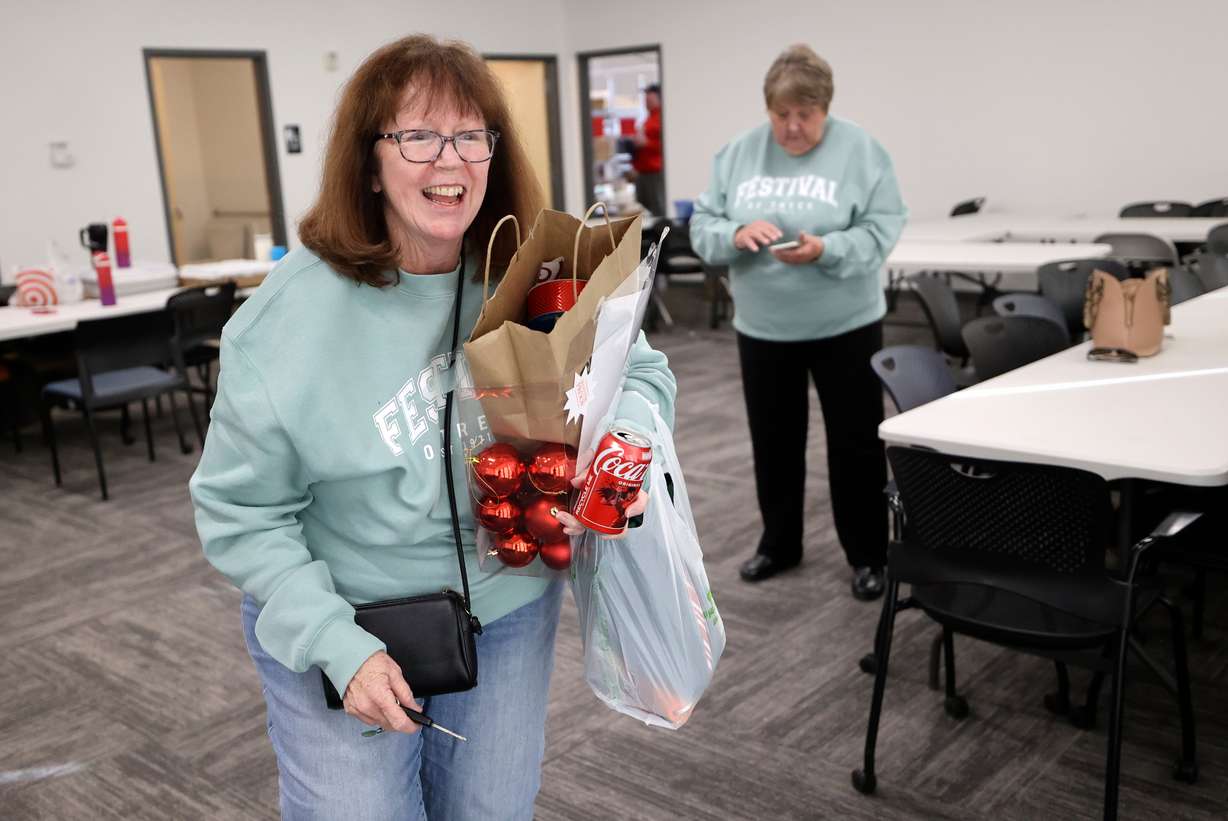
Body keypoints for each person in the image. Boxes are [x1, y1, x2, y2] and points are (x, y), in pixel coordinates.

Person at [189, 35, 676, 821]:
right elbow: (241, 513)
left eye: (471, 134)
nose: (448, 160)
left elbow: (642, 371)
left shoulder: (533, 265)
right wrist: (337, 646)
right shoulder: (287, 319)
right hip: (348, 618)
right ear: (369, 161)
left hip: (509, 604)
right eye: (416, 136)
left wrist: (624, 428)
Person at [690, 44, 906, 600]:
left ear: (825, 109)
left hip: (846, 325)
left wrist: (826, 248)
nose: (791, 127)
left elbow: (882, 229)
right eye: (780, 115)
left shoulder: (862, 151)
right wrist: (735, 235)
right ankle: (779, 544)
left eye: (804, 116)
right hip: (764, 328)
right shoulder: (738, 153)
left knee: (854, 444)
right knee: (774, 442)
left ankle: (868, 555)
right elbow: (704, 226)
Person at [632, 83, 665, 217]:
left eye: (650, 100)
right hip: (643, 171)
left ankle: (662, 235)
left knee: (657, 207)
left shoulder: (662, 118)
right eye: (646, 100)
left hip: (655, 171)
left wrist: (647, 143)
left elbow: (666, 146)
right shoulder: (648, 118)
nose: (647, 102)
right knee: (643, 203)